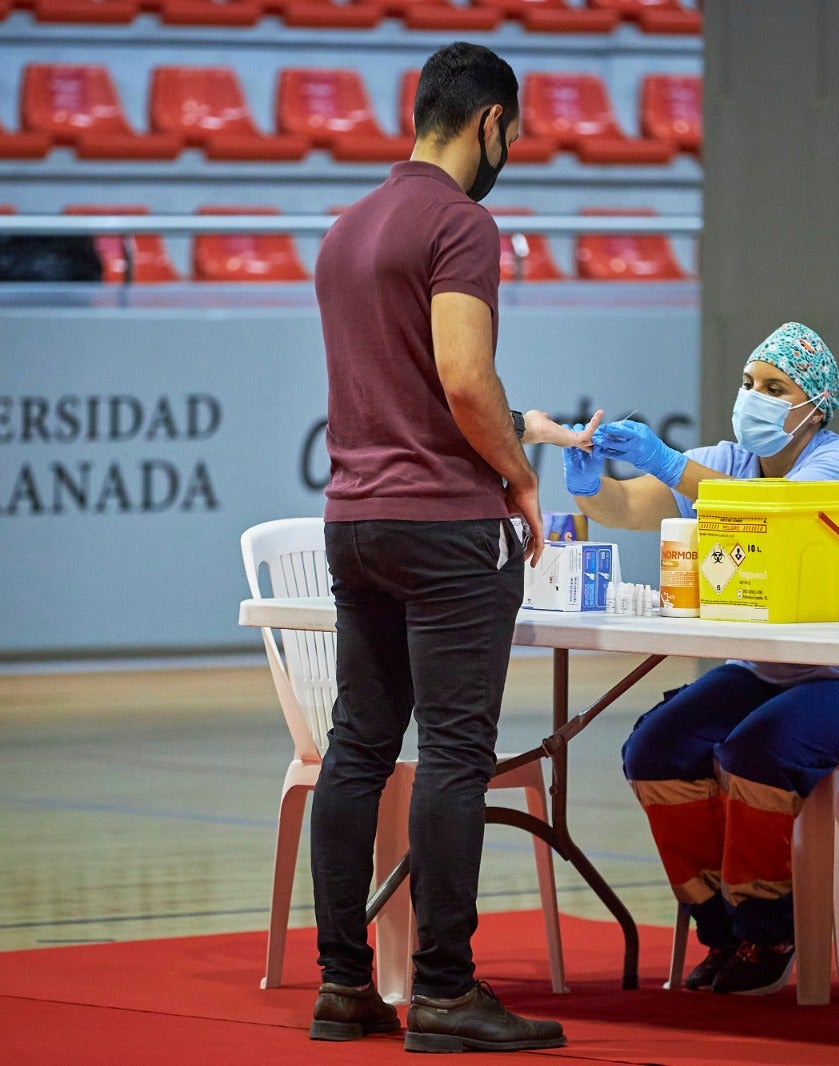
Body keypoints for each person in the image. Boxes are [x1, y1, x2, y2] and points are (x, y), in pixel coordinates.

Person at [307, 41, 567, 1053]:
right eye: (514, 135)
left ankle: (343, 983)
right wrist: (518, 474)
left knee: (358, 748)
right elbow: (464, 377)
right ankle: (447, 993)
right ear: (489, 122)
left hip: (353, 519)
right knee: (454, 753)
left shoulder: (344, 228)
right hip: (445, 525)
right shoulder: (460, 224)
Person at [562, 322, 839, 995]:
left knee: (757, 748)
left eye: (774, 388)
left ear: (813, 407)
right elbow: (627, 507)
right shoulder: (727, 463)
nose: (753, 397)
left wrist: (669, 461)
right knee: (656, 746)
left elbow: (776, 512)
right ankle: (722, 927)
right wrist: (591, 486)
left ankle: (771, 930)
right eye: (747, 383)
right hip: (779, 671)